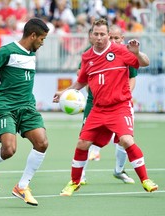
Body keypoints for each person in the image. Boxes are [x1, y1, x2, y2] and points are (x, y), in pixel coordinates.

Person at [53, 18, 158, 196]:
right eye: (96, 34)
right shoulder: (87, 56)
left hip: (119, 106)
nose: (100, 37)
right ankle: (75, 182)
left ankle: (145, 179)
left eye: (103, 34)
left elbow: (145, 63)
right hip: (98, 108)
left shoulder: (121, 50)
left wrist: (138, 53)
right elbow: (82, 81)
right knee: (82, 143)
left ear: (108, 35)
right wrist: (65, 91)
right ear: (91, 36)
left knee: (126, 140)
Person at [0, 18, 50, 206]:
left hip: (28, 107)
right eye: (41, 39)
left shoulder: (32, 53)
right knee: (9, 150)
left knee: (42, 143)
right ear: (32, 35)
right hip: (6, 107)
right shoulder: (7, 51)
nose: (42, 42)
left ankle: (22, 186)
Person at [80, 24, 137, 185]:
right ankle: (80, 175)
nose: (111, 40)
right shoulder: (91, 53)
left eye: (115, 38)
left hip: (120, 104)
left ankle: (119, 170)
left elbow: (132, 77)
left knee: (125, 138)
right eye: (109, 37)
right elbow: (83, 76)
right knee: (85, 138)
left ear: (122, 39)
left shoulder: (124, 54)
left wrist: (125, 95)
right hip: (96, 103)